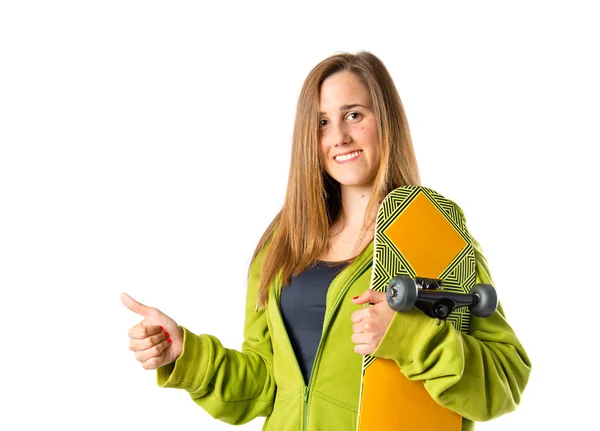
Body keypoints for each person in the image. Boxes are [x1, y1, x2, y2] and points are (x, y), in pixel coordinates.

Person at [122, 51, 531, 430]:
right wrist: (185, 355)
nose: (339, 136)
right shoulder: (284, 245)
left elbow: (505, 380)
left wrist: (409, 337)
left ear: (384, 120)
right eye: (322, 122)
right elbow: (267, 384)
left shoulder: (432, 232)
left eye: (353, 115)